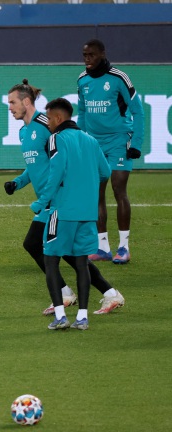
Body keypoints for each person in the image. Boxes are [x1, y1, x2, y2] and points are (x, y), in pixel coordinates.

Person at [4, 80, 125, 316]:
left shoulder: (45, 126)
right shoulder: (24, 131)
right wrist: (17, 182)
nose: (9, 107)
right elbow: (36, 165)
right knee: (65, 251)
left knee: (38, 244)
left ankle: (70, 294)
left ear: (26, 102)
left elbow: (61, 162)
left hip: (57, 201)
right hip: (49, 201)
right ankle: (107, 294)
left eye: (12, 102)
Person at [30, 98, 112, 330]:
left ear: (57, 118)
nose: (47, 125)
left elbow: (55, 173)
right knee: (81, 263)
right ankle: (82, 318)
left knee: (51, 260)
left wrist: (41, 202)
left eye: (48, 119)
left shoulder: (57, 139)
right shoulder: (91, 140)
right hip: (87, 213)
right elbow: (105, 172)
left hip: (62, 211)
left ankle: (60, 316)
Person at [77, 39, 144, 264]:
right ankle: (102, 247)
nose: (87, 59)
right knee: (95, 192)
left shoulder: (118, 78)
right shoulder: (82, 80)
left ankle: (124, 247)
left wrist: (136, 143)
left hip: (118, 140)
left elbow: (138, 111)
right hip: (94, 143)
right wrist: (83, 141)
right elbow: (83, 113)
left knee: (118, 187)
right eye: (85, 55)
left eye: (91, 55)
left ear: (103, 54)